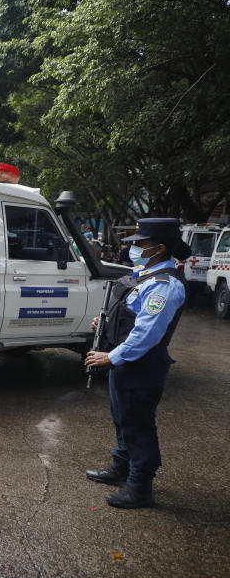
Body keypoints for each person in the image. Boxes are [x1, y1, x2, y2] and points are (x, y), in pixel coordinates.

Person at [84, 218, 191, 509]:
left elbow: (147, 334)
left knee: (138, 426)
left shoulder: (163, 285)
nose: (133, 247)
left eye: (140, 243)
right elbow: (129, 315)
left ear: (159, 248)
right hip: (127, 364)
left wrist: (110, 356)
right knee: (123, 419)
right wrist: (103, 326)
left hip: (142, 366)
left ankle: (140, 487)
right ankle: (121, 469)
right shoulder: (144, 274)